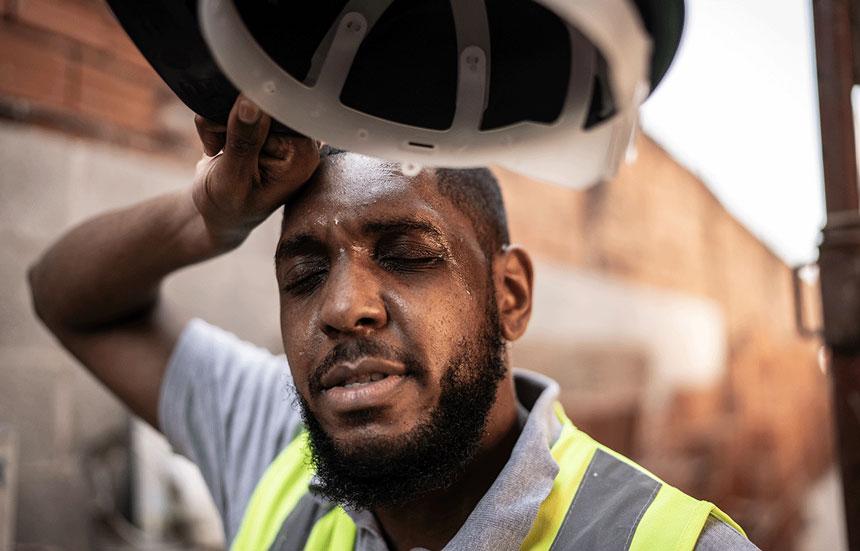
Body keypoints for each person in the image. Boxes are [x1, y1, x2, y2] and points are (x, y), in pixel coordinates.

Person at [28, 96, 759, 551]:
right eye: (304, 274)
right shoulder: (275, 450)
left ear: (509, 295)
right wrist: (209, 216)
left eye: (407, 255)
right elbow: (63, 296)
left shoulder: (673, 544)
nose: (344, 308)